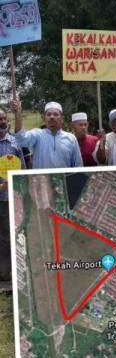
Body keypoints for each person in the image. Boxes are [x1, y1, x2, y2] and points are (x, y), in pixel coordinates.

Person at [11, 100, 83, 169]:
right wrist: (18, 114)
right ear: (44, 119)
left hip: (64, 181)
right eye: (48, 115)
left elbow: (78, 165)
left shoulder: (71, 138)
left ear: (62, 119)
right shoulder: (37, 134)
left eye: (56, 114)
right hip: (41, 181)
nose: (52, 117)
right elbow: (21, 139)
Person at [0, 108, 25, 281]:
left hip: (12, 197)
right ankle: (4, 271)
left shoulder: (15, 143)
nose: (1, 122)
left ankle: (16, 271)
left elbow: (22, 168)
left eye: (2, 118)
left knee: (14, 235)